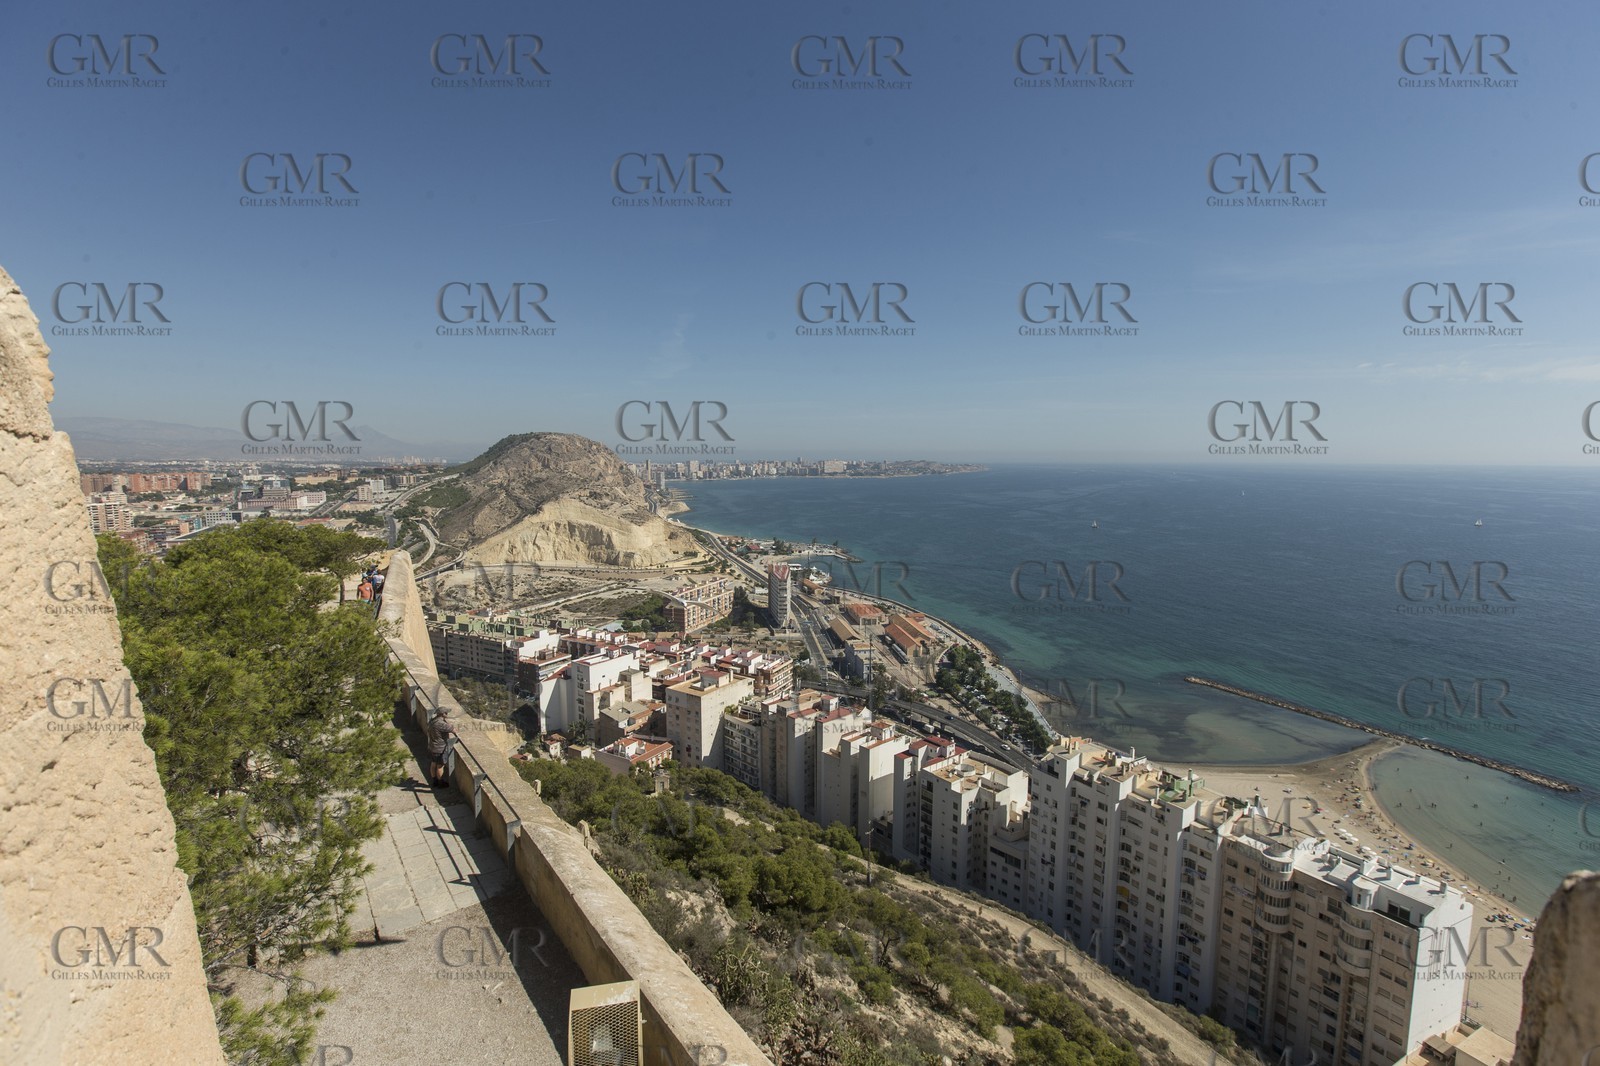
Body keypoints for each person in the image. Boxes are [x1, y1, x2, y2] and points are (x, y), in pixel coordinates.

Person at [428, 707, 458, 789]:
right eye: (446, 713)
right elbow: (454, 730)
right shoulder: (441, 724)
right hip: (440, 748)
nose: (447, 714)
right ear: (443, 714)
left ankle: (434, 781)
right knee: (440, 766)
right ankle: (441, 782)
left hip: (432, 746)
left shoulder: (432, 721)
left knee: (433, 763)